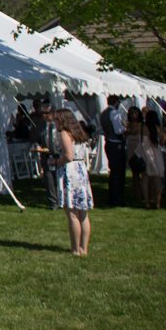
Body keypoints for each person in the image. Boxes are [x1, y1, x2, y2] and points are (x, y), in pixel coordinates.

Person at [55, 109, 94, 255]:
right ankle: (84, 248)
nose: (55, 123)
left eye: (57, 120)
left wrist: (56, 161)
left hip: (70, 172)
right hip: (80, 170)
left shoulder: (65, 133)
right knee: (83, 213)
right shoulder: (79, 132)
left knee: (72, 212)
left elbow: (69, 156)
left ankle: (76, 248)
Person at [101, 96, 128, 207]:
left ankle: (112, 197)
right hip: (116, 144)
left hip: (108, 142)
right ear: (116, 102)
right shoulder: (114, 113)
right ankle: (118, 198)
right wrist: (126, 128)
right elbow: (118, 130)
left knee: (113, 172)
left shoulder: (103, 113)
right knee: (119, 173)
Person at [35, 100, 62, 210]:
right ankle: (53, 202)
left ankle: (61, 200)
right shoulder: (41, 125)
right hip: (46, 155)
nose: (44, 116)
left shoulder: (59, 124)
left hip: (58, 155)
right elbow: (36, 139)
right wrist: (37, 145)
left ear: (53, 113)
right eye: (42, 113)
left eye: (46, 113)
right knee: (49, 179)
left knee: (59, 178)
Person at [139, 107, 166, 210]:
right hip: (157, 154)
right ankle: (158, 202)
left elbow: (141, 141)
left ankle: (147, 202)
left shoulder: (144, 128)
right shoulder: (159, 129)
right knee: (157, 179)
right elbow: (163, 143)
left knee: (145, 179)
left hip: (146, 154)